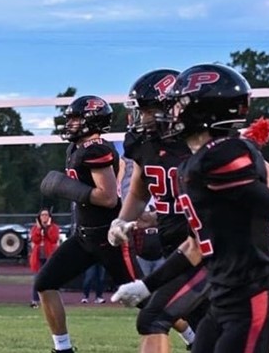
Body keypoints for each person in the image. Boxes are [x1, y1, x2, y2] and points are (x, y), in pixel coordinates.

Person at [117, 63, 269, 353]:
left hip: (252, 293)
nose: (169, 113)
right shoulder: (192, 163)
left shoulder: (223, 154)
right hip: (225, 293)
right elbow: (194, 246)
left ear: (200, 111)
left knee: (157, 319)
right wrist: (147, 286)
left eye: (177, 105)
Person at [108, 68, 206, 353]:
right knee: (220, 334)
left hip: (207, 250)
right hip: (177, 247)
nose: (144, 118)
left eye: (150, 110)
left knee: (154, 318)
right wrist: (122, 220)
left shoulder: (204, 142)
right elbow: (140, 189)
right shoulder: (145, 144)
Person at [33, 95, 135, 353]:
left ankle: (193, 336)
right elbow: (120, 167)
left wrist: (68, 188)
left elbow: (109, 197)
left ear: (92, 120)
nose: (70, 124)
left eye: (76, 119)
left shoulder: (96, 150)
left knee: (144, 298)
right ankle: (63, 348)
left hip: (107, 238)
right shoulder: (77, 148)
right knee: (45, 283)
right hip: (83, 236)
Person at [29, 209, 60, 307]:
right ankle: (35, 300)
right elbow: (35, 239)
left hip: (49, 256)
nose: (44, 217)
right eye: (42, 215)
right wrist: (39, 229)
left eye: (46, 215)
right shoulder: (35, 228)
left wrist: (47, 228)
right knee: (37, 279)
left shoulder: (54, 227)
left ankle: (50, 301)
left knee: (50, 279)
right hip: (38, 258)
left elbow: (54, 238)